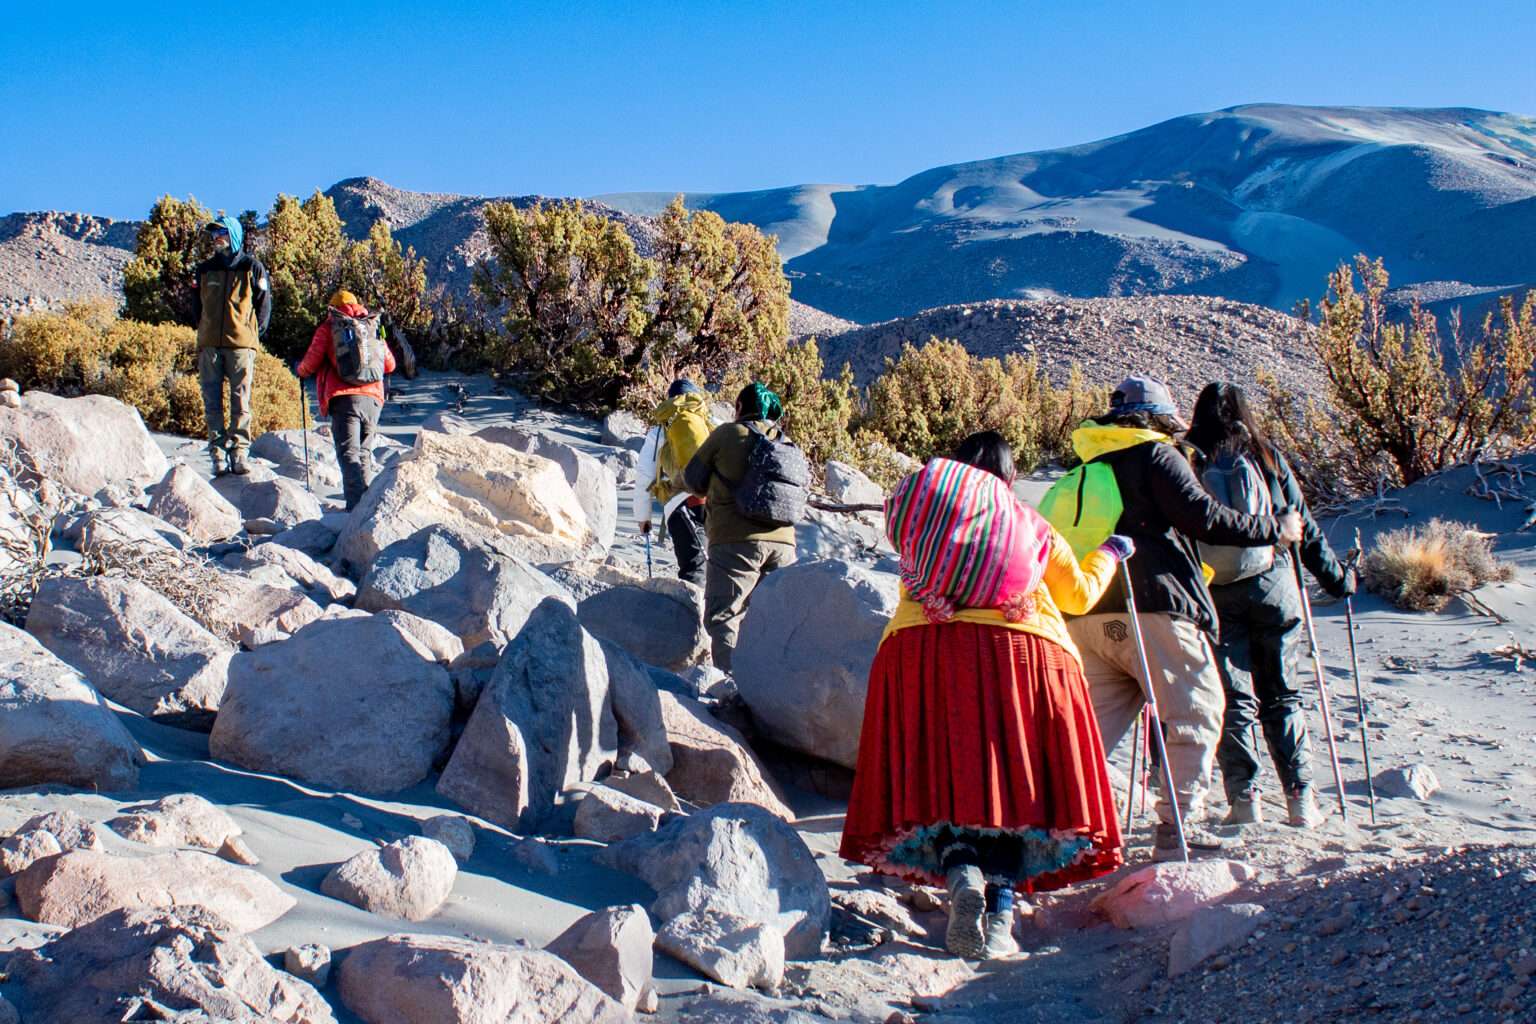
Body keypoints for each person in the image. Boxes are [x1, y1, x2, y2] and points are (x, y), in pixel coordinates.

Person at [841, 431, 1130, 960]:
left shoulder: (927, 522)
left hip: (921, 652)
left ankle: (962, 873)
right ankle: (999, 920)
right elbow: (1080, 596)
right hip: (1025, 655)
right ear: (1010, 477)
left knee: (940, 789)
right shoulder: (1030, 525)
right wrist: (1111, 552)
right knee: (1016, 793)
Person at [1056, 377, 1304, 861]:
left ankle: (1053, 827)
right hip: (1153, 606)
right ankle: (1176, 830)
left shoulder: (1086, 466)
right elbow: (1203, 517)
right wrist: (1276, 529)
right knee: (1197, 710)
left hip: (1087, 616)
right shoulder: (1155, 456)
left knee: (1089, 731)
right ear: (1159, 418)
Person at [1185, 382, 1355, 829]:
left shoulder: (1187, 457)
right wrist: (1339, 581)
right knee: (1282, 694)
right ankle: (1301, 799)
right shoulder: (1266, 456)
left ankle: (1245, 799)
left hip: (1213, 590)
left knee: (1232, 698)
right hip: (1274, 584)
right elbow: (1305, 526)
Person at [682, 382, 797, 672]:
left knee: (723, 615)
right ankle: (767, 687)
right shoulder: (786, 442)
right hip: (785, 544)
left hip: (734, 540)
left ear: (741, 408)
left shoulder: (728, 433)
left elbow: (694, 481)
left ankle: (730, 686)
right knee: (766, 620)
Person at [295, 290, 396, 510]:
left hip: (344, 399)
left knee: (349, 453)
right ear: (356, 304)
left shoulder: (330, 326)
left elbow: (310, 362)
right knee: (364, 452)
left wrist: (300, 371)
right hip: (373, 399)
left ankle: (354, 508)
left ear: (332, 308)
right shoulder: (371, 325)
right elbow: (390, 365)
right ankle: (367, 508)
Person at [192, 215, 271, 476]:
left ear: (234, 234)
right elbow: (196, 305)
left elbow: (263, 305)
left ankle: (239, 453)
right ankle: (217, 454)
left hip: (241, 345)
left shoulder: (252, 267)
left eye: (222, 233)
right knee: (211, 400)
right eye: (214, 235)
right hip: (210, 345)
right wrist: (203, 331)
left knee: (240, 400)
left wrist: (253, 334)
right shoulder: (205, 269)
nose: (217, 239)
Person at [631, 379, 714, 586]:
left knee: (694, 568)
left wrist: (643, 518)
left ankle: (692, 615)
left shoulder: (660, 431)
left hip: (681, 505)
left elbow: (644, 476)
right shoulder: (711, 423)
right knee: (719, 567)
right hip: (716, 502)